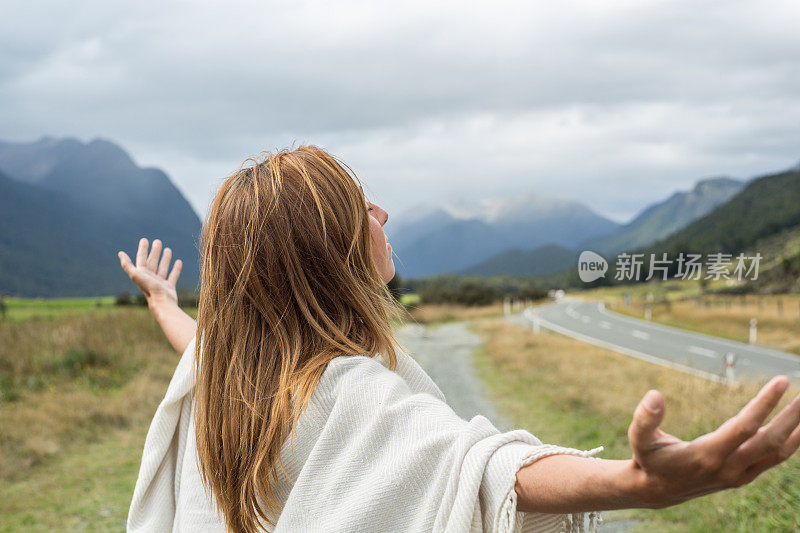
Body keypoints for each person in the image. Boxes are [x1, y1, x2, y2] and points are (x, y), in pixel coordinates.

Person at [118, 145, 800, 533]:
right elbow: (474, 463)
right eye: (361, 203)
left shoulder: (239, 369)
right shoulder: (344, 386)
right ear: (328, 249)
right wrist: (635, 482)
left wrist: (162, 303)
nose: (381, 211)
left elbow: (199, 343)